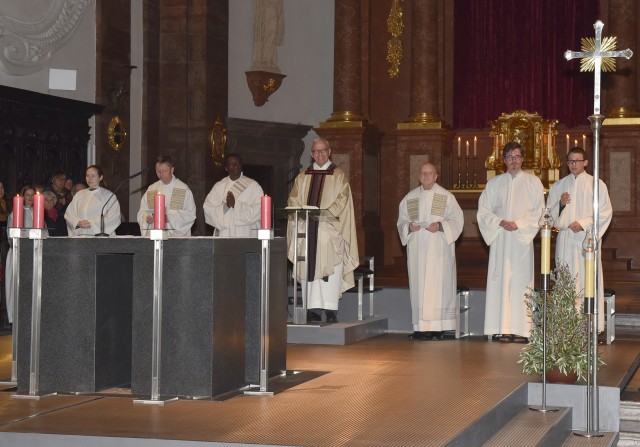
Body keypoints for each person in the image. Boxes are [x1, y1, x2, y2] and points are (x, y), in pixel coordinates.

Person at [477, 142, 545, 343]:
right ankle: (502, 328)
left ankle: (522, 329)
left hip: (521, 240)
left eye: (517, 156)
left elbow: (539, 212)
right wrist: (499, 222)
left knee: (521, 283)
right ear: (504, 160)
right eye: (509, 157)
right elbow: (483, 211)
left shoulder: (533, 183)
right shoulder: (494, 183)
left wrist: (519, 224)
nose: (513, 161)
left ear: (523, 159)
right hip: (500, 239)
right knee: (501, 283)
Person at [286, 137, 359, 323]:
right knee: (309, 268)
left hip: (328, 231)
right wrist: (302, 214)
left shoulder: (338, 176)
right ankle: (312, 309)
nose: (320, 154)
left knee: (330, 269)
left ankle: (330, 309)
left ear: (329, 152)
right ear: (311, 154)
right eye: (316, 151)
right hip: (308, 231)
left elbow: (343, 201)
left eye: (323, 150)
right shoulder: (302, 177)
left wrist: (324, 213)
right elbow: (293, 200)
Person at [547, 147, 613, 332]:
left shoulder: (596, 184)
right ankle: (566, 326)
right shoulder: (558, 186)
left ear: (585, 162)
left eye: (577, 161)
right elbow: (548, 217)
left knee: (586, 280)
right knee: (567, 281)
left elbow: (605, 213)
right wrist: (560, 204)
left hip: (587, 239)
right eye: (570, 161)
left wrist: (583, 223)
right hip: (566, 239)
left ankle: (588, 326)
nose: (574, 164)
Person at [397, 163, 464, 340]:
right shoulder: (410, 198)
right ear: (419, 176)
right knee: (419, 285)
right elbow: (401, 221)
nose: (426, 176)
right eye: (423, 173)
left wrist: (441, 226)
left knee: (438, 286)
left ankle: (439, 327)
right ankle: (420, 327)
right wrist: (409, 226)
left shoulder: (446, 197)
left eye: (430, 173)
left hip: (438, 251)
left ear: (436, 176)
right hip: (417, 251)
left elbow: (457, 221)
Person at [203, 154, 264, 237]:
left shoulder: (253, 186)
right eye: (231, 164)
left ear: (241, 165)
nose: (235, 165)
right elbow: (208, 210)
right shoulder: (219, 186)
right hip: (225, 234)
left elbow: (258, 211)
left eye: (237, 163)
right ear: (226, 168)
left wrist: (236, 204)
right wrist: (226, 207)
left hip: (247, 233)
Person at [137, 155, 196, 237]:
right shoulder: (151, 189)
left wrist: (170, 219)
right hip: (155, 236)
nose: (161, 174)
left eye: (165, 171)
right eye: (158, 171)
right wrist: (146, 218)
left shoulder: (183, 189)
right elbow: (142, 211)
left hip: (176, 239)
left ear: (172, 170)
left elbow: (190, 214)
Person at [5, 185, 36, 323]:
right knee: (17, 286)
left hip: (34, 254)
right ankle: (15, 317)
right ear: (22, 197)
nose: (30, 198)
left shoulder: (38, 212)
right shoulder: (15, 214)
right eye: (27, 195)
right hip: (19, 253)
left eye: (32, 195)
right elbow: (11, 237)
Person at [65, 165, 122, 236]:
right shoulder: (79, 195)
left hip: (99, 237)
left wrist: (92, 223)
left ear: (100, 177)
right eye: (87, 176)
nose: (90, 178)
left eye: (93, 176)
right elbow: (69, 215)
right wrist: (77, 223)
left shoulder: (109, 196)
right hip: (81, 237)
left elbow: (114, 217)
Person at [251, 0, 284, 73]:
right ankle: (263, 59)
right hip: (265, 13)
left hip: (273, 13)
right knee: (264, 36)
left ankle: (268, 60)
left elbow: (280, 9)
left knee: (271, 38)